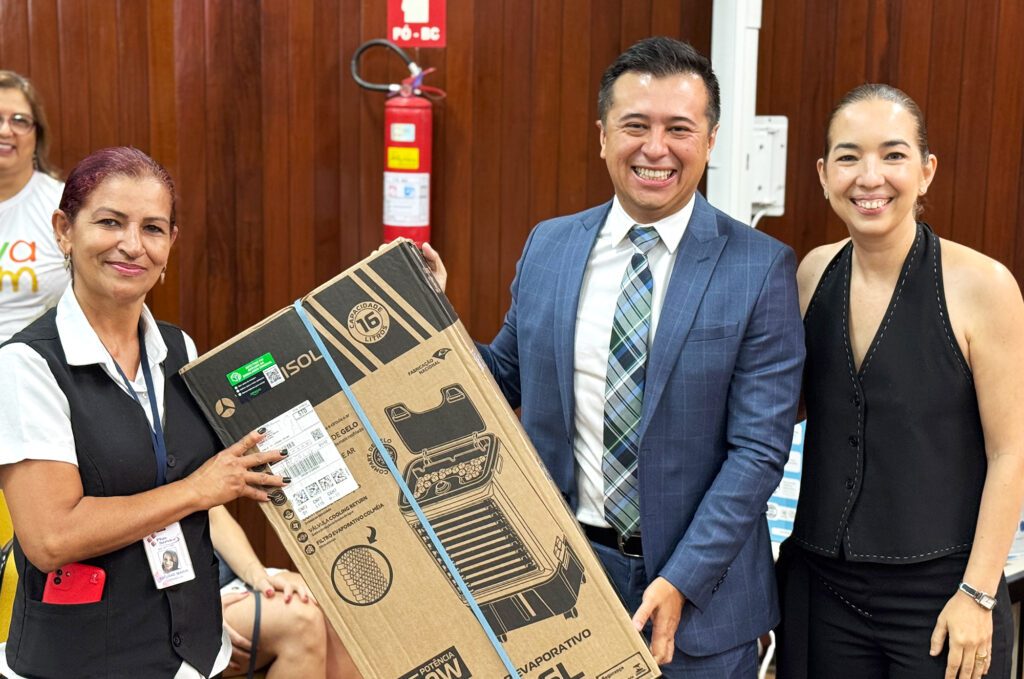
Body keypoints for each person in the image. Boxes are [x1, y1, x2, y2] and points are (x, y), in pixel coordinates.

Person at [423, 37, 805, 676]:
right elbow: (501, 381)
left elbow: (759, 450)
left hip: (703, 603)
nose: (655, 148)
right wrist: (430, 321)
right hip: (567, 579)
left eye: (679, 128)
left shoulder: (759, 268)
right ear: (602, 136)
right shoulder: (549, 246)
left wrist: (682, 579)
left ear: (710, 141)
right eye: (635, 126)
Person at [0, 146, 288, 678]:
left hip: (194, 653)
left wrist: (417, 296)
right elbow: (51, 538)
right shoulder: (25, 366)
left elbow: (219, 479)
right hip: (83, 662)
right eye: (110, 222)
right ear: (64, 230)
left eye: (153, 228)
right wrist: (198, 490)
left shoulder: (180, 349)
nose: (132, 245)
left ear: (170, 244)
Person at [776, 84, 1024, 679]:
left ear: (926, 170)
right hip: (821, 585)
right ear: (823, 174)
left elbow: (1012, 451)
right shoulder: (811, 274)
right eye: (848, 156)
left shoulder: (984, 286)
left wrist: (978, 594)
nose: (870, 177)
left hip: (943, 592)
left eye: (893, 155)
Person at [210, 505, 361, 679]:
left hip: (228, 575)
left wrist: (257, 575)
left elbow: (214, 517)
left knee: (330, 599)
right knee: (302, 620)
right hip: (191, 602)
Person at [0, 70, 67, 343]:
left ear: (37, 134)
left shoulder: (63, 205)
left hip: (38, 359)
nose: (5, 130)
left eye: (19, 120)